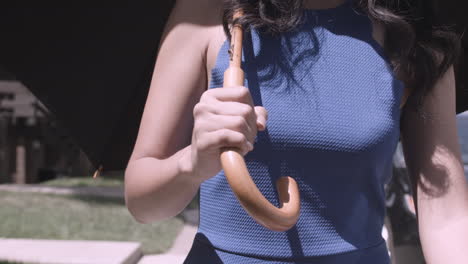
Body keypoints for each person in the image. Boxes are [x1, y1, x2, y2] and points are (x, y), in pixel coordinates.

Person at [124, 0, 468, 263]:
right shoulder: (209, 13)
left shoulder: (416, 36)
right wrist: (192, 162)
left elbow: (446, 213)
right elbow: (142, 202)